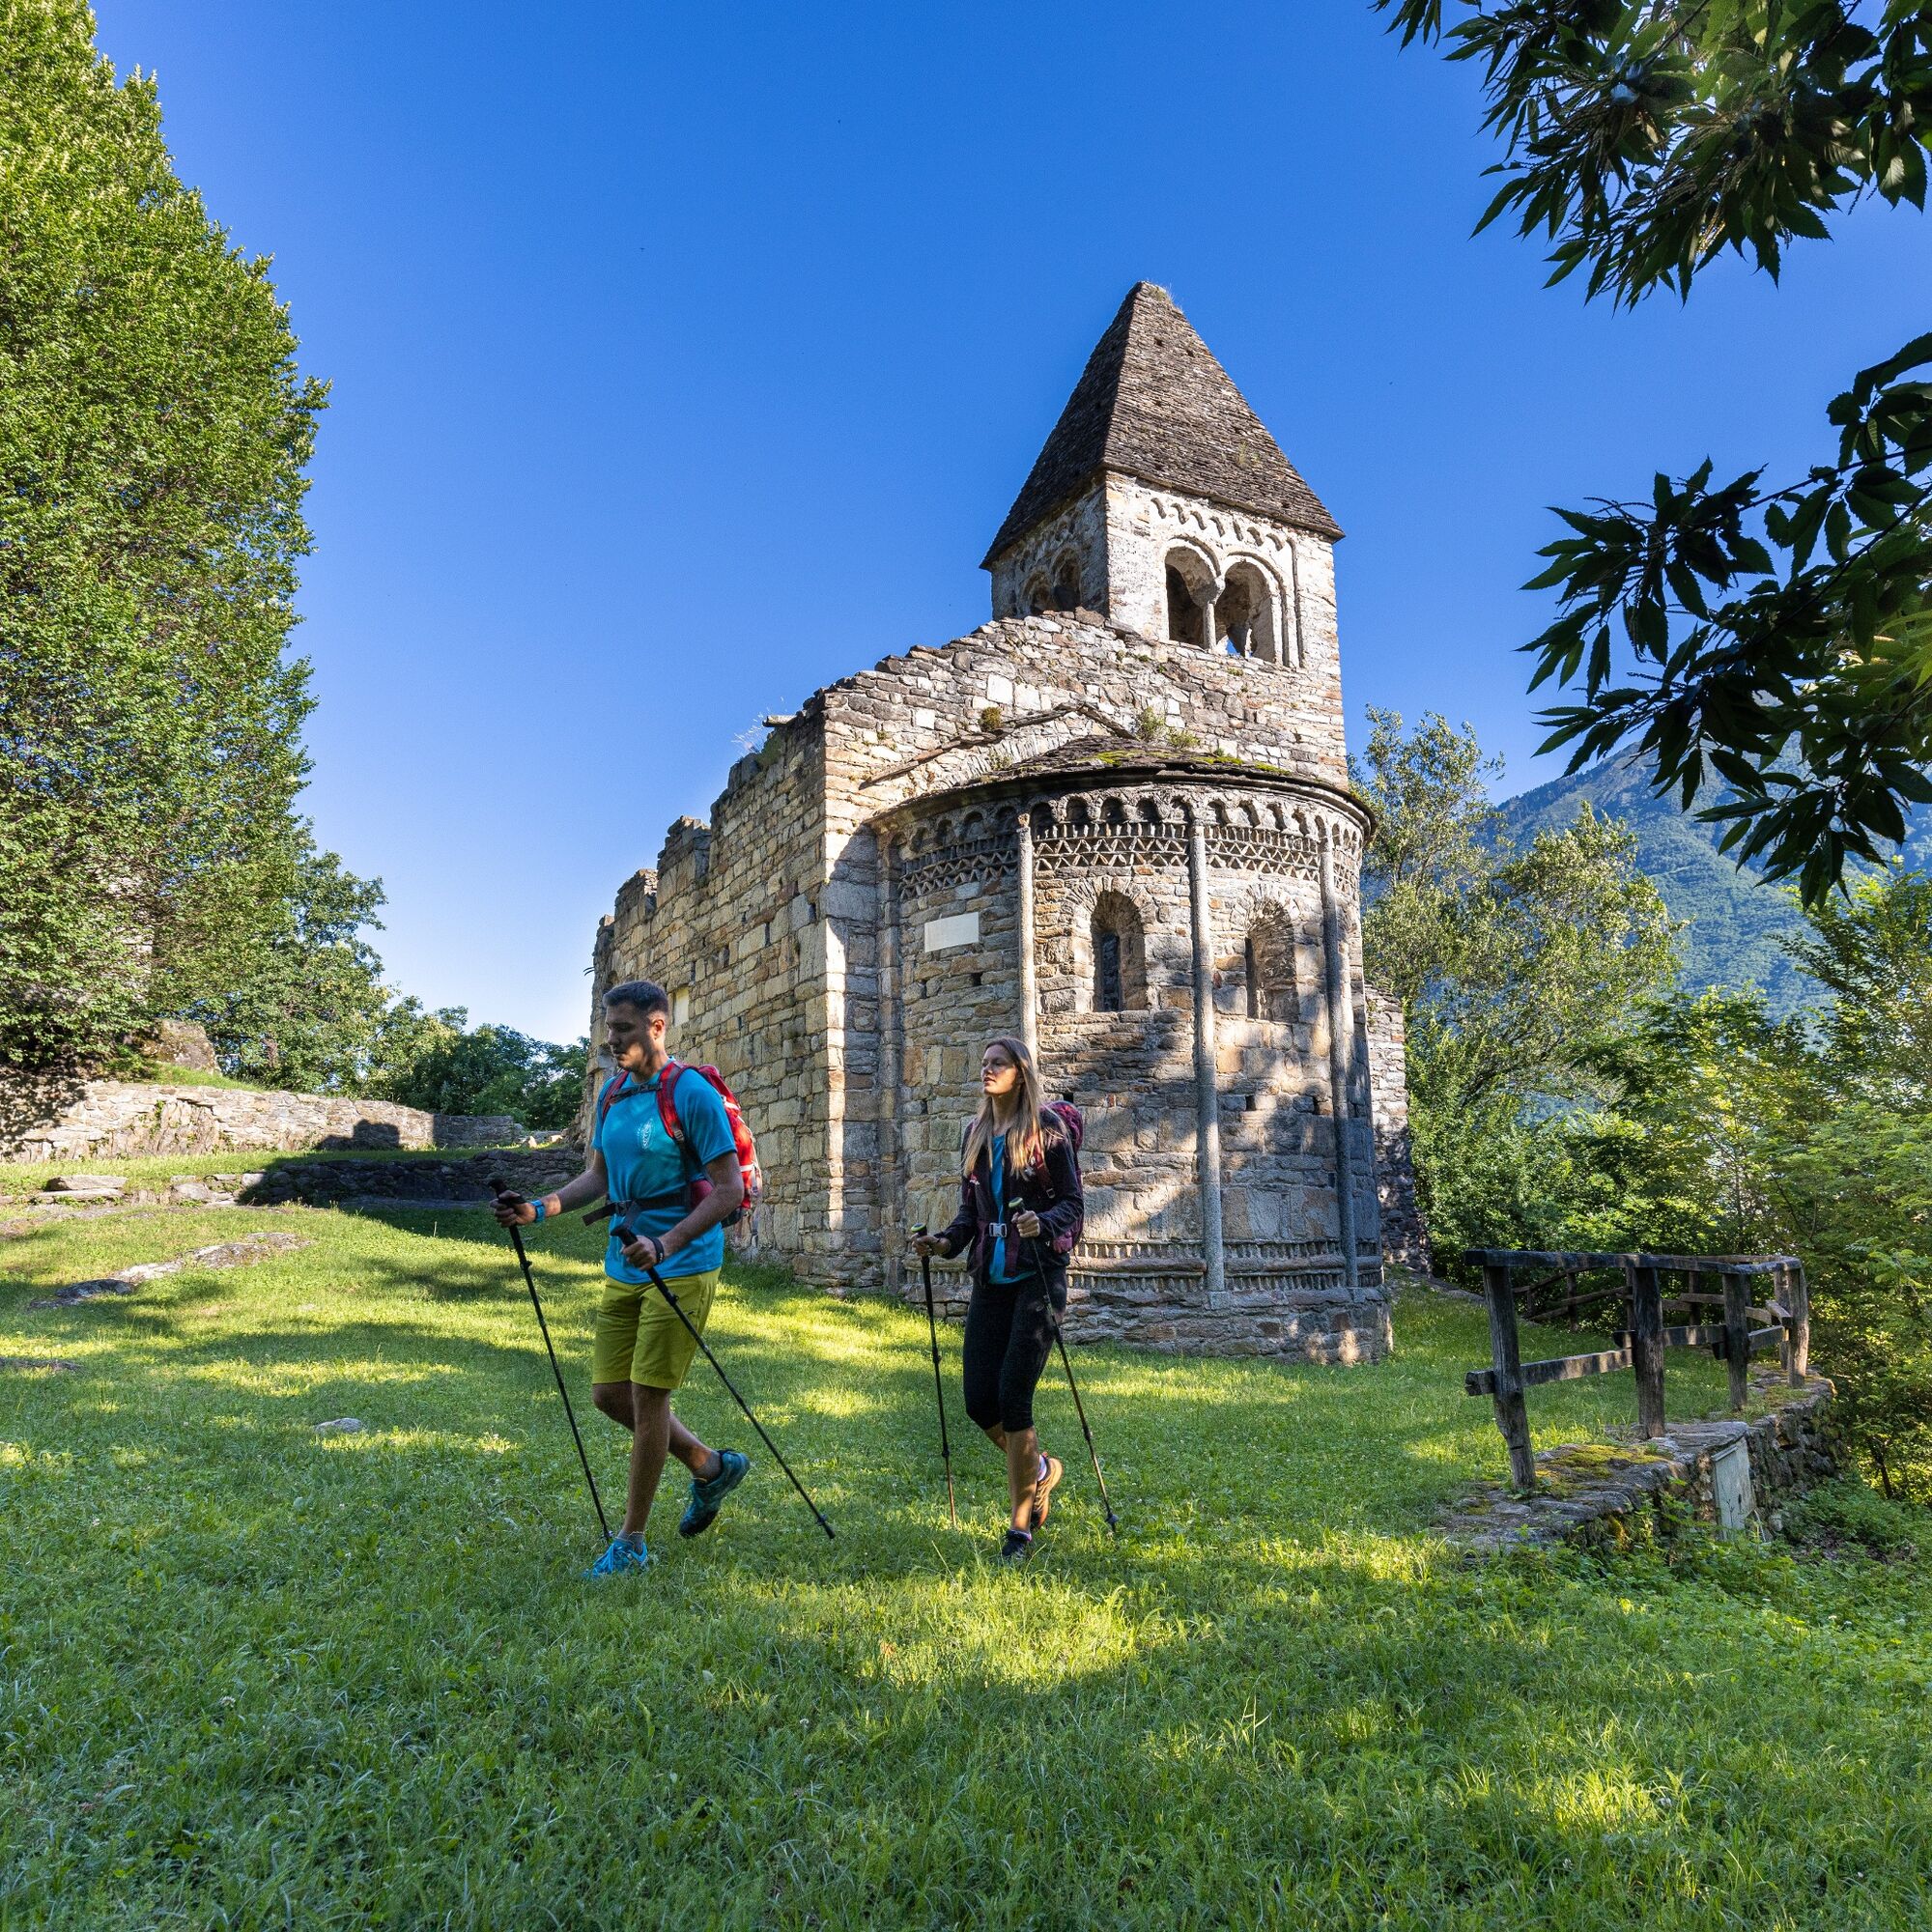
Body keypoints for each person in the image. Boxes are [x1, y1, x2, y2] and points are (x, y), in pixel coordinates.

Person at [494, 979, 751, 1577]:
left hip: (682, 1263)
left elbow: (729, 1190)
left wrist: (667, 1243)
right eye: (608, 1029)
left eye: (624, 1029)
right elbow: (599, 1177)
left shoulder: (690, 1093)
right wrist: (537, 1209)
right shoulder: (612, 1094)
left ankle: (631, 1542)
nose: (612, 1040)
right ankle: (710, 1467)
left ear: (657, 1026)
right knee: (608, 1394)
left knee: (648, 1395)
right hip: (625, 1260)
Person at [913, 1036, 1084, 1563]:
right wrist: (944, 1242)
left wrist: (1042, 1222)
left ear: (1020, 1073)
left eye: (997, 1064)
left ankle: (1019, 1531)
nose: (986, 1071)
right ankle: (1040, 1470)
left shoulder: (1047, 1131)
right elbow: (971, 1213)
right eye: (984, 1064)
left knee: (1013, 1399)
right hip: (990, 1279)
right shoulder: (975, 1133)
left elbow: (1073, 1204)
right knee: (978, 1402)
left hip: (1037, 1277)